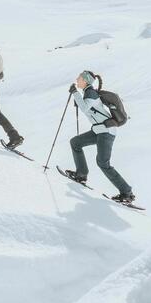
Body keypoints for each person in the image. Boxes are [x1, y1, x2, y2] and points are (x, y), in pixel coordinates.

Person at [60, 70, 136, 205]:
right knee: (75, 142)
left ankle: (127, 193)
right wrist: (78, 97)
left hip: (106, 132)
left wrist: (75, 93)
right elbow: (88, 108)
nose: (77, 80)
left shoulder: (91, 93)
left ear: (85, 80)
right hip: (99, 131)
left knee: (103, 163)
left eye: (79, 78)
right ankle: (81, 174)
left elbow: (85, 108)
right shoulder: (89, 93)